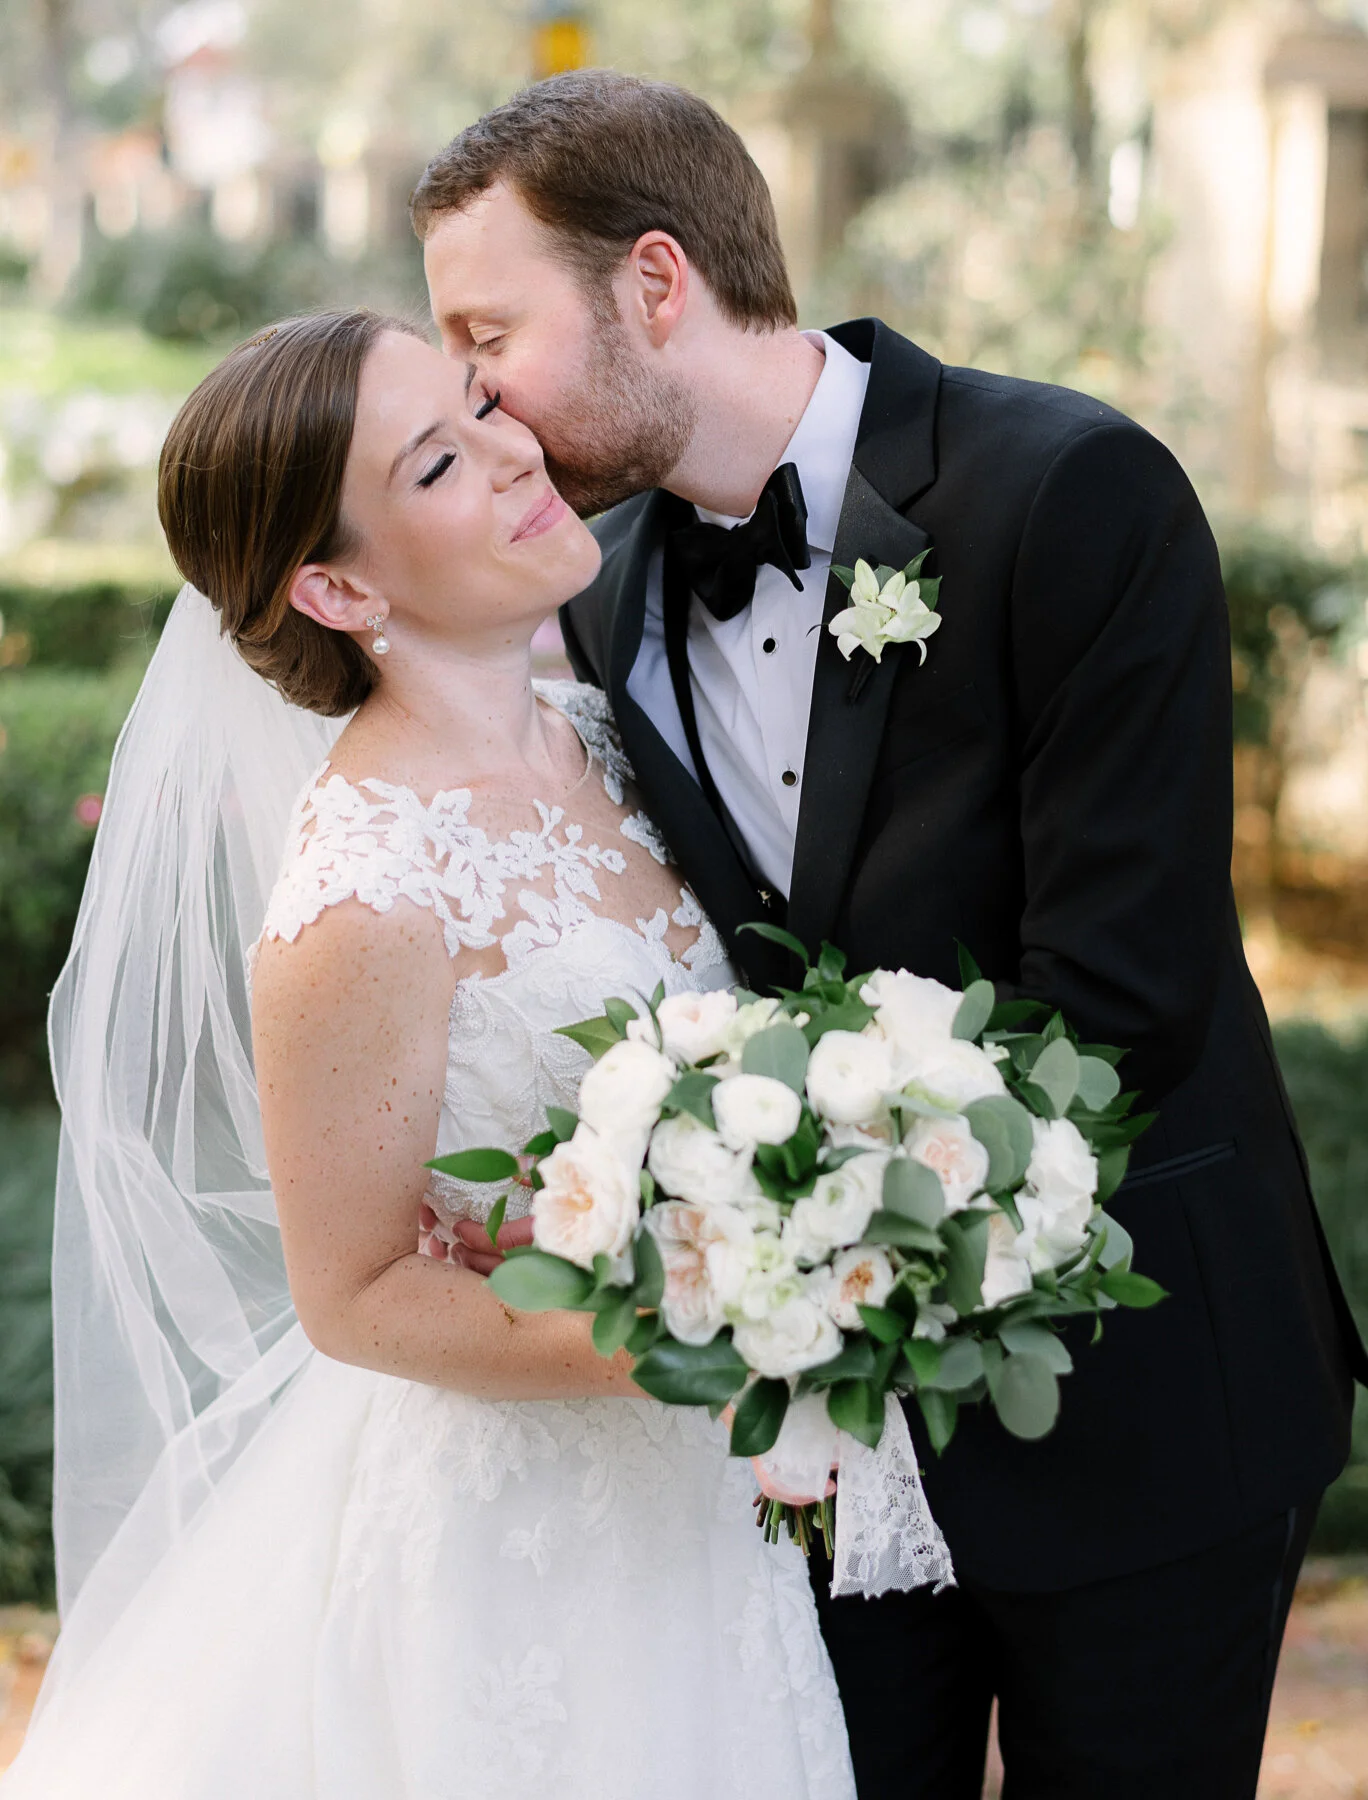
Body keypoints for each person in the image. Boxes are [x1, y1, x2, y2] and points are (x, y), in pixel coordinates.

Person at [413, 70, 1368, 1800]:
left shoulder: (1073, 491)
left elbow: (1125, 996)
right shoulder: (603, 590)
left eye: (490, 333)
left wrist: (780, 1214)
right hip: (817, 1449)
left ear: (652, 281)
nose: (472, 392)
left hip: (1139, 1395)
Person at [1, 312, 855, 1800]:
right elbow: (354, 1294)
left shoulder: (606, 734)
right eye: (439, 464)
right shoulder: (363, 891)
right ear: (338, 587)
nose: (517, 453)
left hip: (708, 1513)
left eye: (480, 405)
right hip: (522, 1556)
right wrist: (685, 1340)